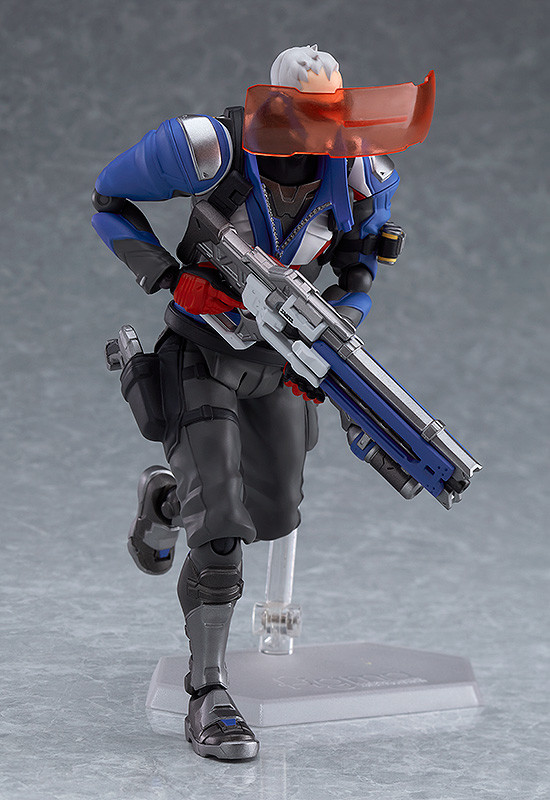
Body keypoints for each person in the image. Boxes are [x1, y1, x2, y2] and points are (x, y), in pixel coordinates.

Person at [92, 44, 404, 760]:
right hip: (202, 349)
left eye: (330, 116)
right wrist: (172, 278)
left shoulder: (360, 172)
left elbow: (361, 257)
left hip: (284, 361)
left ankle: (165, 500)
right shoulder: (209, 150)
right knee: (222, 529)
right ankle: (208, 692)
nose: (318, 133)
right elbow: (110, 201)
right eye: (305, 115)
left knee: (274, 511)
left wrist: (345, 313)